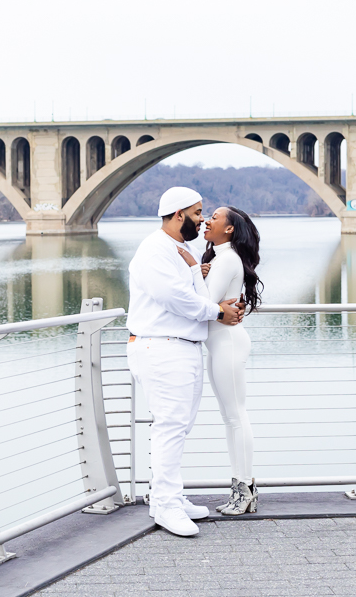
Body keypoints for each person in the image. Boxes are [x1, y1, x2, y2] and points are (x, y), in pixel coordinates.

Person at [126, 187, 244, 537]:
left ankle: (171, 496)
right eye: (198, 212)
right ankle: (163, 505)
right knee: (170, 426)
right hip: (160, 347)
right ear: (179, 215)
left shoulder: (182, 249)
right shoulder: (154, 250)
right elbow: (174, 298)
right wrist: (217, 312)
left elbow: (189, 290)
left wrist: (199, 273)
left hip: (182, 346)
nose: (203, 219)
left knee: (179, 427)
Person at [193, 207, 264, 515]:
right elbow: (209, 302)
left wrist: (196, 273)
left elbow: (202, 304)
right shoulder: (218, 260)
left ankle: (245, 491)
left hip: (228, 346)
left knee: (236, 417)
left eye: (214, 217)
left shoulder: (227, 259)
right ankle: (242, 490)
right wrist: (199, 270)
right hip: (220, 346)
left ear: (230, 229)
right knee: (231, 419)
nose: (207, 220)